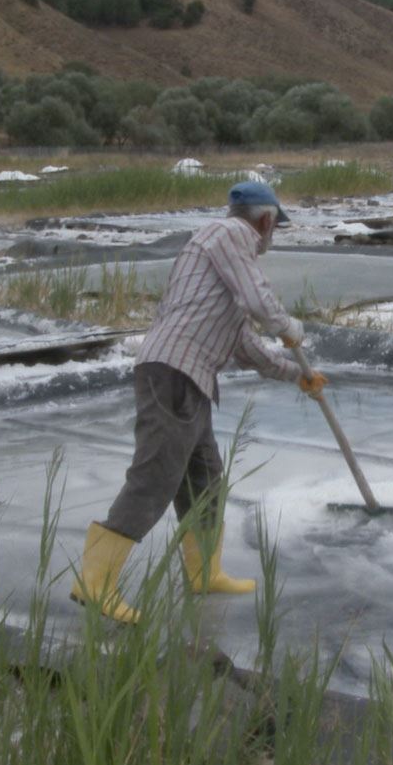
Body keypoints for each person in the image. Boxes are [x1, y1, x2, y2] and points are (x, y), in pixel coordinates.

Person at [71, 181, 329, 623]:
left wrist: (297, 375)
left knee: (205, 481)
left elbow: (245, 345)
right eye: (274, 229)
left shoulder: (226, 272)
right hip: (172, 371)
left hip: (192, 378)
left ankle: (203, 573)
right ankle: (94, 582)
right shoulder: (228, 235)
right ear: (265, 221)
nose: (271, 239)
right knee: (155, 476)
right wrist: (289, 326)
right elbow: (261, 302)